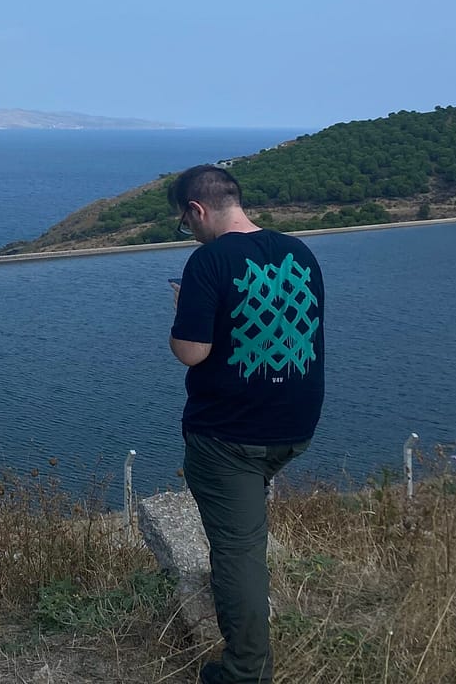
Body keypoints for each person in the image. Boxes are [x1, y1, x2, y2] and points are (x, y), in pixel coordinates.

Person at [167, 164, 325, 684]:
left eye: (185, 222)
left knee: (238, 552)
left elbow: (191, 352)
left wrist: (185, 310)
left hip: (230, 433)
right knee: (247, 528)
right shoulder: (299, 252)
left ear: (197, 210)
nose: (190, 232)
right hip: (294, 426)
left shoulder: (209, 260)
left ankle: (245, 673)